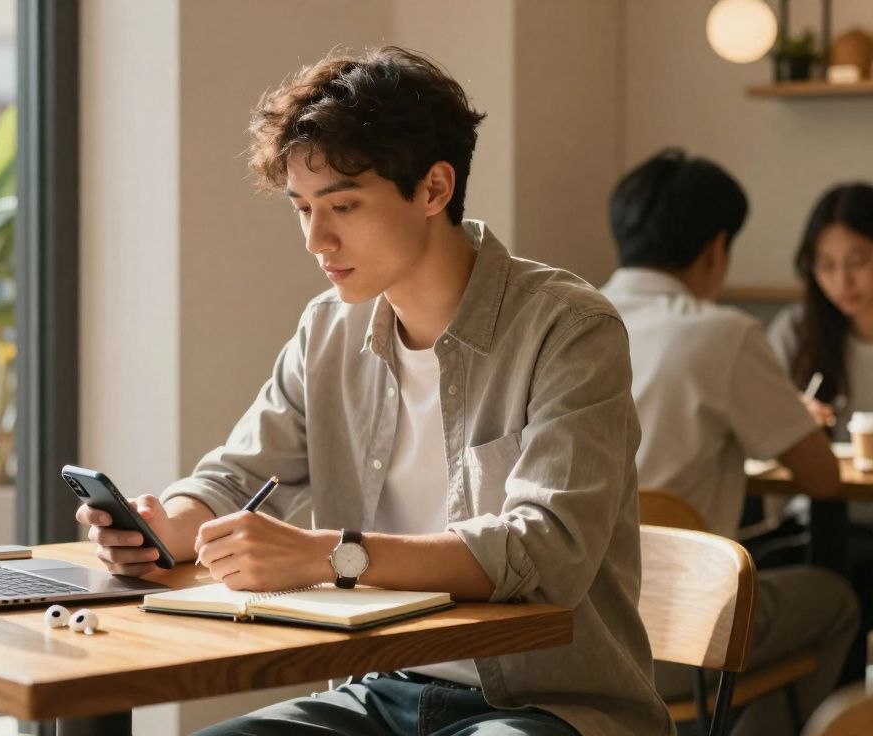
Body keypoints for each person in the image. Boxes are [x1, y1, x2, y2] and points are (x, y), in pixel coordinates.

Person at [80, 46, 673, 735]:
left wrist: (328, 555)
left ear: (434, 189)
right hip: (377, 694)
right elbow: (237, 476)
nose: (315, 238)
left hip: (546, 706)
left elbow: (548, 550)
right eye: (301, 208)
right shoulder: (328, 330)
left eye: (344, 205)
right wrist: (162, 527)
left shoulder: (568, 328)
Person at [599, 150, 858, 735]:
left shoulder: (565, 313)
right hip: (676, 642)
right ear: (716, 248)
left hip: (564, 629)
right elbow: (821, 479)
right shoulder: (721, 334)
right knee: (837, 599)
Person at [767, 183, 873, 439]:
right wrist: (790, 419)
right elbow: (758, 420)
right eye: (826, 265)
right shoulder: (796, 329)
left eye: (857, 262)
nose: (842, 281)